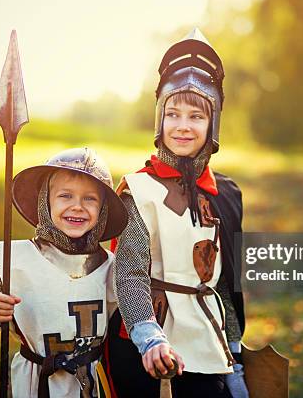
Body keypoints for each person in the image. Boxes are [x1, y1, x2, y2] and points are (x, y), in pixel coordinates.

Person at [105, 28, 249, 398]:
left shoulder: (226, 194)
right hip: (147, 345)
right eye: (173, 114)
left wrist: (234, 358)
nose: (183, 125)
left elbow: (225, 284)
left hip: (208, 341)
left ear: (212, 124)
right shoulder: (139, 190)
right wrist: (149, 338)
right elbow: (130, 275)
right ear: (160, 120)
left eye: (196, 116)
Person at [0, 147, 128, 398]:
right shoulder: (17, 259)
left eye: (90, 199)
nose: (77, 207)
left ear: (103, 210)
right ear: (46, 201)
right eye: (65, 196)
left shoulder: (112, 266)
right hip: (36, 381)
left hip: (93, 381)